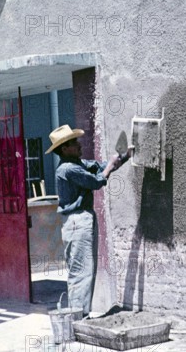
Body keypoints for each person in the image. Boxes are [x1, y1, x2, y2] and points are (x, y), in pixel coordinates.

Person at [46, 124, 132, 317]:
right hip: (77, 221)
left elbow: (100, 167)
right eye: (73, 143)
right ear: (64, 149)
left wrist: (124, 157)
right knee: (81, 272)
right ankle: (77, 319)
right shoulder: (68, 169)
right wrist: (110, 165)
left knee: (86, 270)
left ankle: (80, 316)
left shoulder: (77, 164)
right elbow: (96, 181)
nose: (79, 145)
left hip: (82, 220)